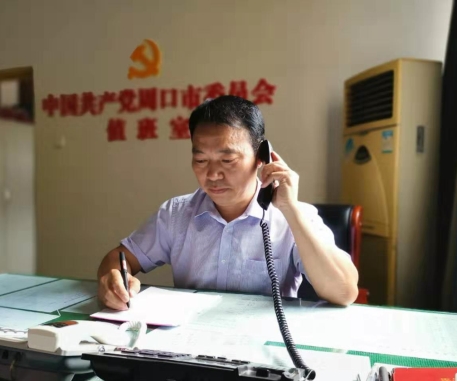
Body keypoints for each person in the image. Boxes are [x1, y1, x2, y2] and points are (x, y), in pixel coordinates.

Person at [97, 95, 358, 310]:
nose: (212, 174)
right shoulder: (176, 213)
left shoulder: (294, 217)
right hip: (190, 343)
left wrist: (291, 211)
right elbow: (117, 259)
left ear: (262, 157)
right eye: (201, 160)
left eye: (227, 160)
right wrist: (114, 280)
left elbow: (344, 292)